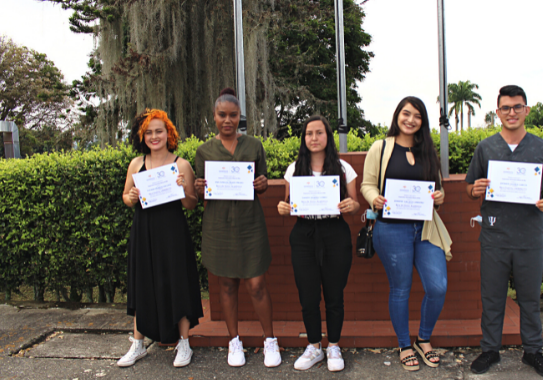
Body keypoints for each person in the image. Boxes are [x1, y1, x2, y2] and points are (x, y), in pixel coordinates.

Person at [466, 85, 543, 379]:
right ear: (497, 113)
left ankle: (533, 351)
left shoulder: (542, 148)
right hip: (495, 236)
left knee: (530, 298)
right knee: (492, 297)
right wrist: (476, 189)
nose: (511, 113)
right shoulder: (486, 148)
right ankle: (490, 350)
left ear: (526, 110)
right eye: (505, 108)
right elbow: (470, 189)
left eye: (517, 107)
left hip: (529, 237)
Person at [360, 96, 452, 372]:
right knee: (400, 288)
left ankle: (423, 338)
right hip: (391, 229)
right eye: (406, 113)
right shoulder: (382, 147)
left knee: (437, 287)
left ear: (422, 122)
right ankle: (404, 344)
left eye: (417, 116)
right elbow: (367, 184)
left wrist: (439, 196)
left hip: (424, 229)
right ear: (397, 115)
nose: (411, 120)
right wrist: (374, 198)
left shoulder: (427, 150)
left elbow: (439, 190)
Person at [193, 88, 280, 368]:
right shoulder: (204, 151)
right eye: (222, 115)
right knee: (227, 284)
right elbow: (200, 195)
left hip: (249, 224)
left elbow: (262, 183)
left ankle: (270, 340)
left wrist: (263, 185)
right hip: (219, 226)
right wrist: (200, 188)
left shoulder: (254, 146)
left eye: (233, 115)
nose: (227, 120)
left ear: (240, 117)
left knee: (256, 284)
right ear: (214, 116)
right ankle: (234, 342)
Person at [119, 109, 204, 368]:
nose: (154, 136)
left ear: (169, 134)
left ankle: (184, 343)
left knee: (177, 282)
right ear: (141, 136)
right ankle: (138, 344)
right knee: (141, 282)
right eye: (149, 132)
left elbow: (192, 204)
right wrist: (131, 197)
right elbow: (126, 197)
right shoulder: (136, 163)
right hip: (144, 231)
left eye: (159, 131)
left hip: (172, 232)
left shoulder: (181, 164)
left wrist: (181, 191)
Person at [276, 116, 359, 372]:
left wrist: (351, 205)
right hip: (304, 235)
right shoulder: (294, 169)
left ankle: (333, 345)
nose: (314, 138)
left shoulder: (344, 168)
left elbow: (355, 205)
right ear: (304, 138)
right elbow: (288, 205)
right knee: (308, 295)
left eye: (319, 132)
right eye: (309, 133)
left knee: (334, 294)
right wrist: (282, 208)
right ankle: (314, 345)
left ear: (328, 136)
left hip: (335, 233)